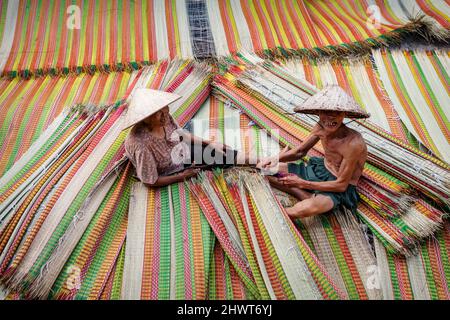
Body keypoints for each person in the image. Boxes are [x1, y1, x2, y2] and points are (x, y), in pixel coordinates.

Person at [258, 85, 370, 218]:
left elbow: (341, 185)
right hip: (320, 170)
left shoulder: (353, 143)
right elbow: (300, 152)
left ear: (344, 115)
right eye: (325, 112)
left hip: (336, 186)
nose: (330, 118)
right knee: (263, 168)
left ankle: (302, 195)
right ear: (318, 112)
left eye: (337, 113)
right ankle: (302, 192)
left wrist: (303, 183)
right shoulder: (320, 127)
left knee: (299, 211)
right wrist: (275, 158)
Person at [123, 88, 248, 187]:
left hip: (182, 152)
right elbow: (150, 181)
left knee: (220, 151)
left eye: (165, 110)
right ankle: (255, 165)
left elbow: (181, 134)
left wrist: (209, 143)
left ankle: (258, 162)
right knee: (217, 160)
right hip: (170, 170)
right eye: (158, 114)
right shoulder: (140, 144)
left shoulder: (165, 118)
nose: (164, 115)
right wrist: (183, 176)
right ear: (146, 119)